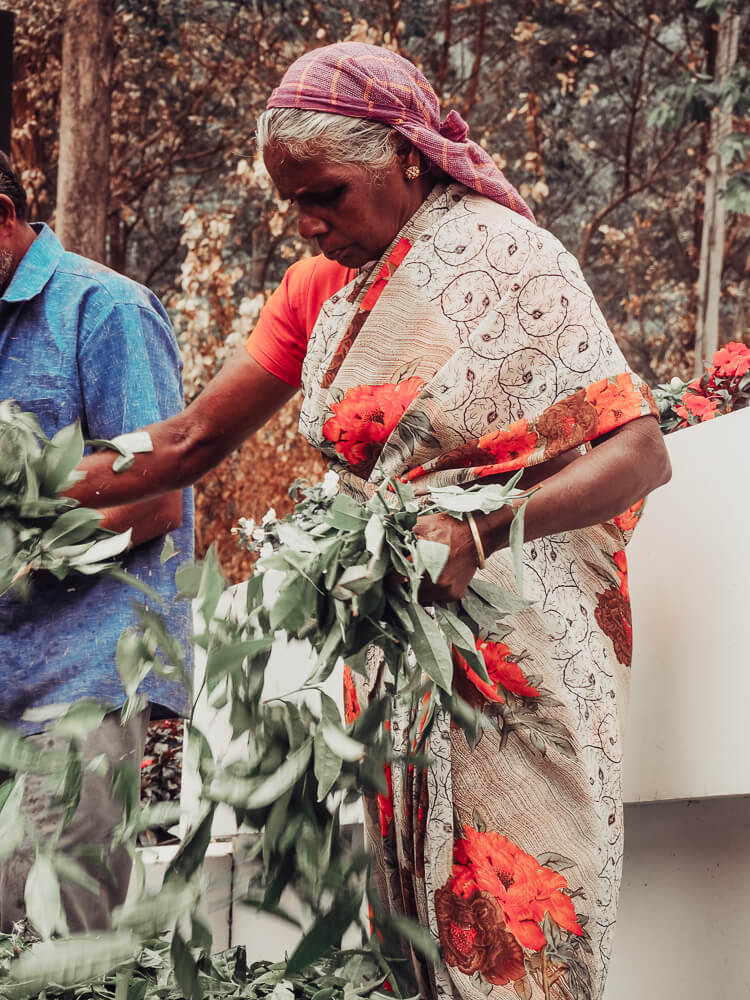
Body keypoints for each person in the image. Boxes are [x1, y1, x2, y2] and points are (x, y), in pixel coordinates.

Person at [67, 43, 670, 999]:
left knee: (520, 928)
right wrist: (42, 485)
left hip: (515, 658)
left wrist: (482, 530)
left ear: (408, 157)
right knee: (418, 936)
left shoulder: (508, 259)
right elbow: (183, 440)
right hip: (402, 663)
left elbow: (639, 452)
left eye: (328, 196)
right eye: (291, 204)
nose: (308, 225)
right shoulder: (334, 292)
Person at [0, 152, 193, 931]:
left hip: (81, 680)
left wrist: (20, 557)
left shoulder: (105, 309)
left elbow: (158, 497)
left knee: (55, 931)